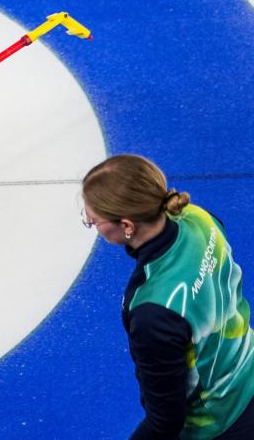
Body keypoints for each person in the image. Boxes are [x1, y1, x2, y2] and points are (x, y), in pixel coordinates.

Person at [81, 154, 254, 439]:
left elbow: (166, 420)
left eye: (93, 221)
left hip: (219, 423)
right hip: (244, 369)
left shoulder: (154, 308)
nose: (90, 222)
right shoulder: (199, 218)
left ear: (127, 225)